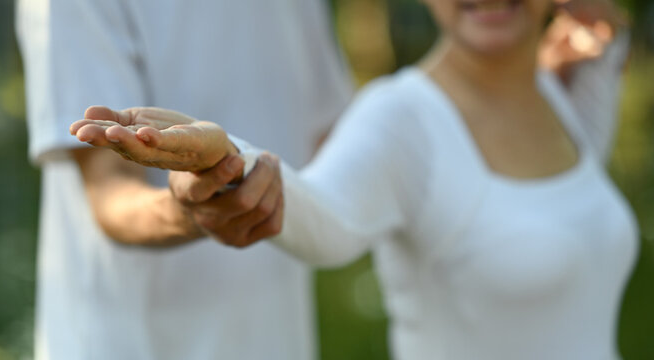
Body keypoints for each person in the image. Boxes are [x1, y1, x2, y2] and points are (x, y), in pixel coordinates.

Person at [71, 0, 638, 358]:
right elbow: (322, 214)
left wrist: (607, 25)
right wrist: (226, 158)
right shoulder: (402, 117)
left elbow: (609, 38)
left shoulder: (564, 97)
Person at [15, 0, 353, 359]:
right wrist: (192, 209)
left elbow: (332, 152)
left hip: (276, 339)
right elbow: (110, 193)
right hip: (130, 345)